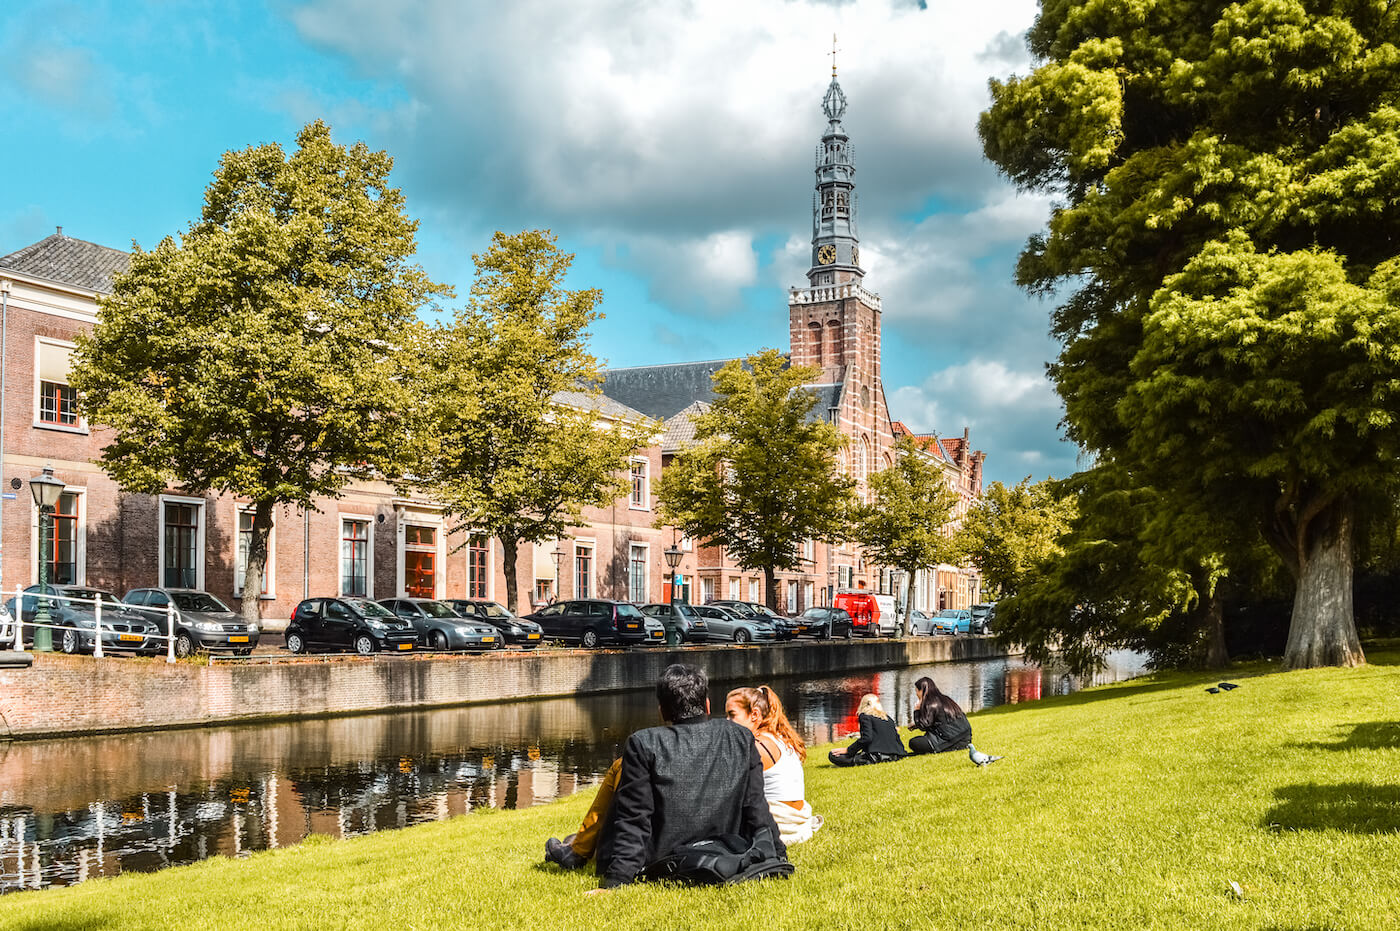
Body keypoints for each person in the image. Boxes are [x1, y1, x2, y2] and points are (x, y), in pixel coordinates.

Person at [546, 663, 786, 888]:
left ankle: (576, 849)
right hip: (722, 848)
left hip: (662, 859)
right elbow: (756, 806)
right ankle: (575, 847)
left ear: (662, 711)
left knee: (618, 769)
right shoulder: (740, 737)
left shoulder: (644, 743)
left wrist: (617, 880)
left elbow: (634, 819)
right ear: (708, 705)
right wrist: (777, 853)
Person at [724, 685, 823, 844]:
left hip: (780, 827)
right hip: (798, 824)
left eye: (732, 715)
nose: (727, 722)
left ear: (754, 714)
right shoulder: (778, 737)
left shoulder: (756, 745)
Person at [827, 693, 907, 766]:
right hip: (896, 755)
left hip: (876, 756)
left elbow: (867, 738)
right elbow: (897, 738)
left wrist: (848, 750)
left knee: (833, 755)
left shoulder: (865, 716)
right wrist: (902, 752)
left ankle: (864, 761)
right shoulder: (887, 718)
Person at [907, 676, 972, 754]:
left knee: (913, 742)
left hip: (950, 740)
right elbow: (939, 720)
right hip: (965, 738)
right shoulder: (945, 699)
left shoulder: (931, 703)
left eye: (917, 691)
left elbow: (923, 726)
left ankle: (945, 747)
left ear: (922, 691)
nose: (916, 694)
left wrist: (917, 711)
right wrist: (915, 725)